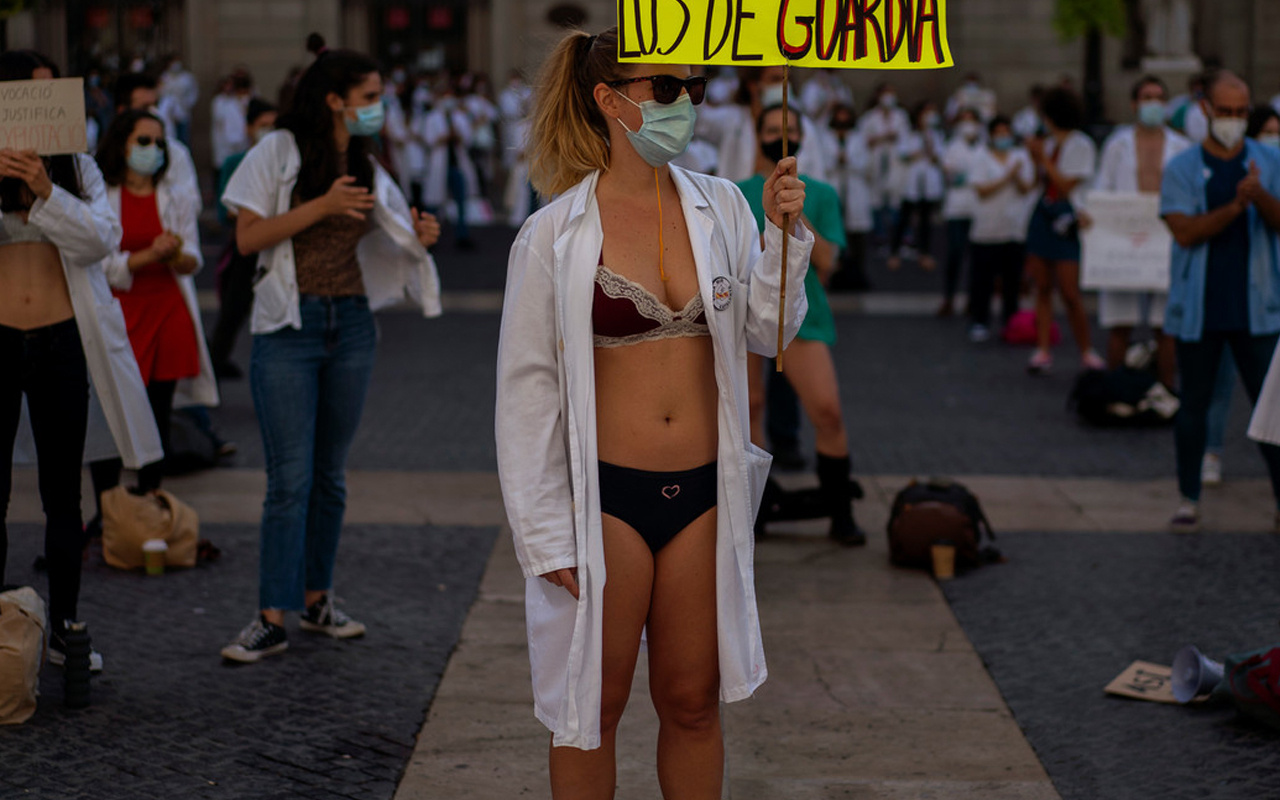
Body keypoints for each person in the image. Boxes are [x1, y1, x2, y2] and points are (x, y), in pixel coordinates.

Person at [495, 27, 812, 796]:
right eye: (665, 88)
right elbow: (526, 390)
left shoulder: (728, 206)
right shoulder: (551, 236)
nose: (686, 104)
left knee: (693, 701)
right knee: (590, 707)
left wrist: (782, 239)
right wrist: (542, 533)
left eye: (694, 88)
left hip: (706, 494)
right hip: (605, 499)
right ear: (609, 101)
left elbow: (770, 332)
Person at [219, 35, 442, 662]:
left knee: (330, 478)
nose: (379, 105)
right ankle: (270, 614)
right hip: (289, 329)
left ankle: (317, 599)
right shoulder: (278, 150)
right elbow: (247, 237)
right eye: (370, 97)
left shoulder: (368, 161)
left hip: (350, 326)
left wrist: (421, 233)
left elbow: (394, 231)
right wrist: (323, 204)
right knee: (288, 480)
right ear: (335, 100)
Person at [0, 50, 161, 672]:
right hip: (3, 338)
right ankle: (4, 629)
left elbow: (101, 240)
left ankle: (66, 623)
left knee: (62, 494)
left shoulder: (79, 167)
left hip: (62, 341)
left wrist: (45, 191)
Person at [1159, 71, 1280, 534]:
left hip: (1260, 308)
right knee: (1194, 406)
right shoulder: (1183, 168)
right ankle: (1188, 497)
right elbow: (1185, 232)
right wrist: (1234, 207)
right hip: (1200, 308)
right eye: (1225, 111)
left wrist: (1259, 195)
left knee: (1271, 412)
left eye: (1241, 112)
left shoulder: (1268, 161)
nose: (1233, 120)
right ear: (1205, 109)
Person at [739, 103, 865, 546]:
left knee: (827, 411)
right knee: (748, 407)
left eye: (788, 129)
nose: (780, 135)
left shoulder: (823, 194)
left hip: (805, 315)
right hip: (747, 311)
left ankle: (840, 510)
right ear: (758, 136)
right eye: (772, 129)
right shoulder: (735, 192)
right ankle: (751, 507)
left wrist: (795, 210)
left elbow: (828, 262)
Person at [90, 110, 218, 498]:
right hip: (121, 314)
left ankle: (150, 499)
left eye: (159, 142)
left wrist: (175, 254)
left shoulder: (175, 197)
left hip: (167, 311)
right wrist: (147, 256)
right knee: (112, 417)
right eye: (143, 141)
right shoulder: (101, 197)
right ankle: (107, 507)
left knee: (158, 414)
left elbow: (192, 258)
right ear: (122, 144)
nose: (153, 150)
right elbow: (99, 265)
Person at [1090, 76, 1193, 390]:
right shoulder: (1117, 144)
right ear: (1135, 104)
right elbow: (1101, 188)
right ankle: (1114, 392)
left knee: (1166, 325)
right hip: (1124, 237)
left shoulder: (1182, 146)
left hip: (1165, 238)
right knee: (1120, 321)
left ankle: (1166, 391)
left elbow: (1190, 193)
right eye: (1147, 97)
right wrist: (1091, 217)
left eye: (1159, 98)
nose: (1154, 104)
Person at [1023, 87, 1103, 374]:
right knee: (1042, 287)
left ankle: (1086, 349)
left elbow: (1068, 184)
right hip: (1044, 213)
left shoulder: (1079, 144)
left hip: (1067, 215)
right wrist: (1036, 160)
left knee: (1069, 291)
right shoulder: (1048, 144)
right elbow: (1039, 182)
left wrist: (1043, 158)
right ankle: (1043, 349)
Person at [209, 98, 278, 379]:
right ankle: (214, 365)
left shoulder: (284, 162)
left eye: (274, 126)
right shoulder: (236, 162)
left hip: (276, 248)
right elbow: (227, 211)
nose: (269, 132)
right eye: (263, 126)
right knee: (232, 312)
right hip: (246, 250)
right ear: (249, 128)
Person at [968, 116, 1035, 341]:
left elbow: (1027, 188)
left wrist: (1016, 176)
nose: (1003, 137)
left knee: (1012, 281)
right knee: (983, 280)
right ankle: (980, 321)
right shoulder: (981, 157)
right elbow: (982, 190)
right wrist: (1008, 175)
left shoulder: (1020, 157)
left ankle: (1011, 322)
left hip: (1013, 229)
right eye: (998, 132)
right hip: (986, 230)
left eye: (1006, 132)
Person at [114, 71, 202, 214]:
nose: (153, 112)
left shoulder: (176, 153)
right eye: (144, 107)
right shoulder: (103, 157)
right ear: (123, 111)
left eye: (156, 104)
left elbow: (192, 206)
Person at [939, 107, 986, 315]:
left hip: (979, 207)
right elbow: (949, 172)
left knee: (976, 256)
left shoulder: (984, 147)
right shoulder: (952, 146)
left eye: (972, 120)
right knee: (955, 253)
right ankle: (949, 297)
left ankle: (973, 299)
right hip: (957, 207)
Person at [420, 80, 478, 248]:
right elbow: (429, 140)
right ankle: (430, 237)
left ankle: (462, 235)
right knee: (433, 201)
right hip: (439, 164)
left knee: (461, 200)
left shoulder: (458, 117)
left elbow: (467, 139)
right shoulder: (432, 118)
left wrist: (457, 135)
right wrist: (445, 136)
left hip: (456, 164)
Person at [889, 101, 945, 271]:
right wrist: (920, 150)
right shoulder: (908, 134)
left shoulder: (936, 135)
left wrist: (930, 146)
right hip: (911, 181)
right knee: (904, 218)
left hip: (928, 183)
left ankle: (924, 253)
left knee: (926, 221)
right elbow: (903, 153)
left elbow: (940, 157)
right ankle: (895, 252)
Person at [827, 103, 873, 291]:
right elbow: (822, 163)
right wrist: (836, 160)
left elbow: (866, 164)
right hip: (835, 186)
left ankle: (858, 275)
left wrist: (850, 161)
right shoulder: (825, 138)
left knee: (857, 237)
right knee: (835, 236)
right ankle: (835, 277)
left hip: (855, 188)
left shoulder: (858, 138)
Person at [860, 82, 911, 244]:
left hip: (895, 161)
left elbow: (906, 138)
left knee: (896, 197)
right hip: (876, 161)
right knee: (876, 199)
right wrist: (883, 137)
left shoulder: (901, 116)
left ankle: (899, 235)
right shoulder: (869, 117)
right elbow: (863, 140)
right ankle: (880, 234)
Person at [159, 55, 199, 147]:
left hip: (183, 111)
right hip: (168, 113)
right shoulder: (165, 77)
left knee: (184, 138)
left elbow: (193, 93)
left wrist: (187, 104)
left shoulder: (187, 77)